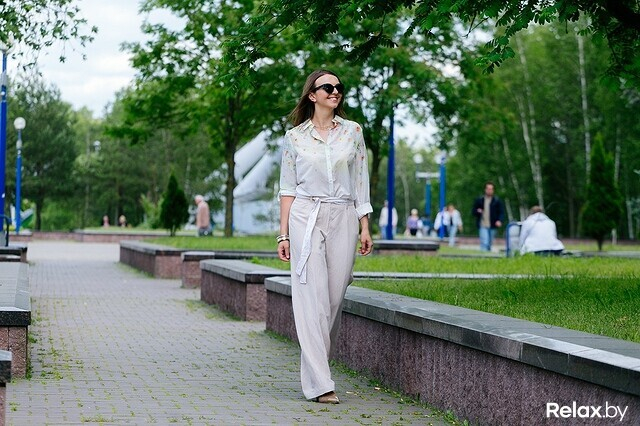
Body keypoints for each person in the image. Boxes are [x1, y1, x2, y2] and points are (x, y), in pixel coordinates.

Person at [277, 69, 373, 405]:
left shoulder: (353, 132)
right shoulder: (295, 138)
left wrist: (364, 224)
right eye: (327, 87)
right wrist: (283, 235)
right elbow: (287, 188)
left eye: (338, 87)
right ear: (312, 95)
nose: (335, 91)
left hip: (343, 214)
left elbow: (360, 180)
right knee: (310, 297)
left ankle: (317, 371)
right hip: (306, 215)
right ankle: (321, 384)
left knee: (333, 298)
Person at [471, 181, 504, 251]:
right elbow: (473, 211)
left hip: (493, 225)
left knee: (489, 243)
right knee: (484, 242)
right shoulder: (480, 200)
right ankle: (483, 254)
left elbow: (501, 212)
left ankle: (487, 254)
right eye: (488, 189)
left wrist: (499, 220)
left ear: (493, 190)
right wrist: (478, 211)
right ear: (485, 189)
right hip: (482, 224)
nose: (489, 190)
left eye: (491, 189)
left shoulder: (496, 201)